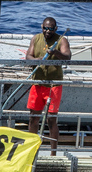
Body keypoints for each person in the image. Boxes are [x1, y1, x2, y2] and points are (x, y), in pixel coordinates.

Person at [25, 16, 71, 154]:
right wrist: (37, 60)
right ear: (42, 27)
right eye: (45, 28)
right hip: (38, 83)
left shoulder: (61, 40)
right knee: (33, 118)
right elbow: (28, 56)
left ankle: (53, 153)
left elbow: (67, 57)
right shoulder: (36, 38)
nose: (48, 31)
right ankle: (31, 151)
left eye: (51, 28)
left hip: (54, 86)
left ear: (55, 29)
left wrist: (56, 52)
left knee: (51, 120)